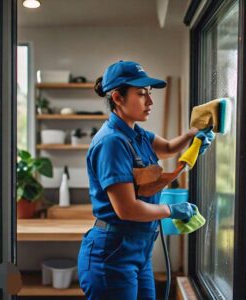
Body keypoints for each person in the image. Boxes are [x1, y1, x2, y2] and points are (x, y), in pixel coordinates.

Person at [78, 60, 214, 300]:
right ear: (117, 98)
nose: (150, 102)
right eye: (141, 94)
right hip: (112, 254)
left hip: (139, 251)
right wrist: (170, 210)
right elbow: (127, 209)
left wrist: (194, 137)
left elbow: (169, 147)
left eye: (149, 94)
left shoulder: (136, 133)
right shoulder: (112, 142)